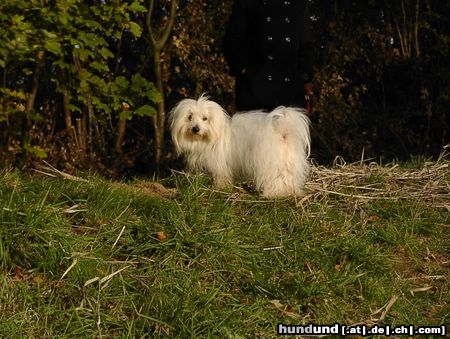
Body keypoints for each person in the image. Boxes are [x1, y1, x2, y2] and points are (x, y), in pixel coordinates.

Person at [223, 0, 314, 112]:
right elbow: (232, 41)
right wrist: (244, 70)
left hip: (290, 92)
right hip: (255, 92)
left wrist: (304, 74)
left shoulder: (299, 3)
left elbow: (306, 44)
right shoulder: (247, 2)